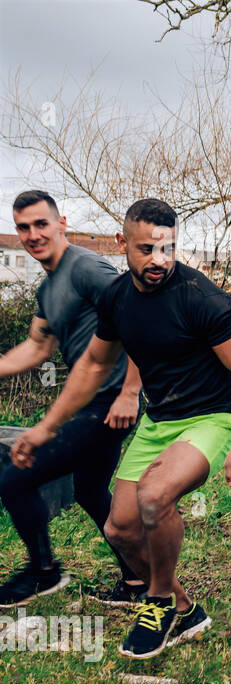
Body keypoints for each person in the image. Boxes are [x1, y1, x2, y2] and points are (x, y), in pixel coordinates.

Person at [12, 198, 231, 658]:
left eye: (168, 248)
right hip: (159, 420)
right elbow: (91, 366)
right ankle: (187, 610)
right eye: (147, 249)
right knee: (120, 529)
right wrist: (47, 427)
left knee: (154, 496)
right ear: (122, 243)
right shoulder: (116, 298)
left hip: (210, 418)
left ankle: (158, 601)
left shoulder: (202, 297)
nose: (158, 260)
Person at [0, 190, 145, 608]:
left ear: (61, 223)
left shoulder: (86, 268)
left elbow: (134, 314)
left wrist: (131, 391)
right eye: (24, 227)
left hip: (109, 404)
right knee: (91, 491)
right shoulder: (49, 291)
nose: (33, 234)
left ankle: (43, 572)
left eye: (41, 224)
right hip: (87, 404)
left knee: (14, 476)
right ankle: (136, 582)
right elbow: (36, 348)